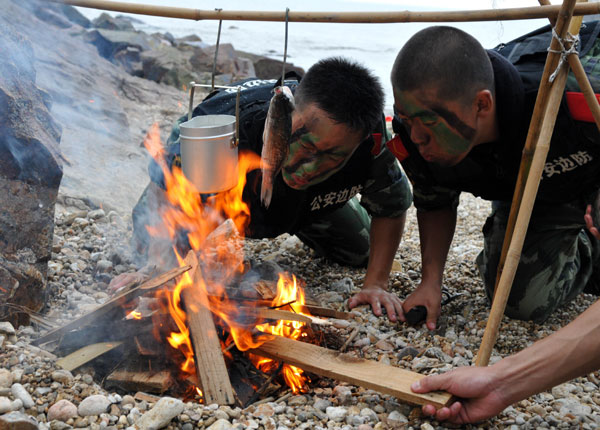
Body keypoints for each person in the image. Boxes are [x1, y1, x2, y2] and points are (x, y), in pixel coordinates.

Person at [110, 57, 412, 320]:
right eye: (300, 143)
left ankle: (301, 211)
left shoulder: (371, 142)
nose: (305, 166)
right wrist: (157, 263)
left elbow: (392, 206)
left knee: (360, 251)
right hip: (214, 180)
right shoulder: (234, 129)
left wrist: (376, 284)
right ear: (287, 116)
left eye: (330, 155)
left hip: (308, 201)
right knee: (152, 250)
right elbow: (167, 188)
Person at [380, 25, 600, 329]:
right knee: (519, 300)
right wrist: (430, 282)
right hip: (533, 191)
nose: (417, 137)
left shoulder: (575, 101)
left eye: (429, 122)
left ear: (482, 104)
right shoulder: (414, 129)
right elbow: (435, 200)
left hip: (590, 169)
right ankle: (584, 249)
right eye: (406, 119)